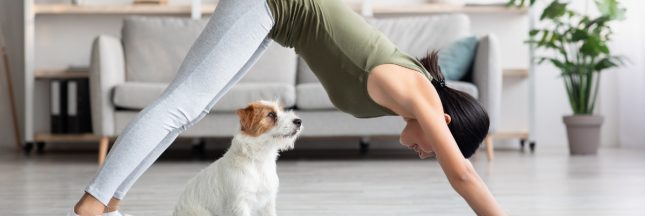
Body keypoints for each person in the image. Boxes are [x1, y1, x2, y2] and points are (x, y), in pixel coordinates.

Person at [71, 0, 505, 215]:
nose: (427, 153)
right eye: (437, 147)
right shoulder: (420, 94)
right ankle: (93, 203)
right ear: (444, 123)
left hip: (278, 19)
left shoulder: (412, 94)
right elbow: (463, 174)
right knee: (183, 103)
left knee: (193, 108)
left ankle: (109, 200)